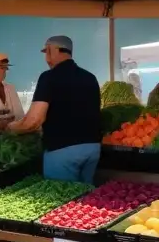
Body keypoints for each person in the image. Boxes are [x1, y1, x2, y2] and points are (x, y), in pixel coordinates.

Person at [8, 35, 101, 183]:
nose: (46, 58)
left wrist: (11, 128)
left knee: (63, 201)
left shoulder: (49, 77)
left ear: (52, 50)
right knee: (84, 198)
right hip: (92, 149)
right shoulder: (90, 78)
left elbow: (33, 121)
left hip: (63, 152)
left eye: (46, 52)